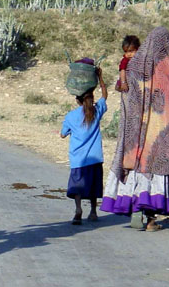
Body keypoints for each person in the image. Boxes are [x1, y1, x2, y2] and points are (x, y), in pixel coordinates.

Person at [100, 26, 169, 231]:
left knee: (136, 170)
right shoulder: (164, 70)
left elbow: (124, 95)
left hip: (134, 137)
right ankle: (150, 219)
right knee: (156, 169)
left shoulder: (131, 68)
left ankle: (136, 211)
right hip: (157, 135)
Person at [60, 64, 108, 225]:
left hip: (78, 159)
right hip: (94, 158)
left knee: (78, 187)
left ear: (77, 99)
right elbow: (105, 96)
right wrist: (100, 77)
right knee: (93, 186)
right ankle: (93, 211)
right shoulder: (96, 111)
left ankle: (78, 209)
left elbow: (62, 134)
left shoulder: (71, 116)